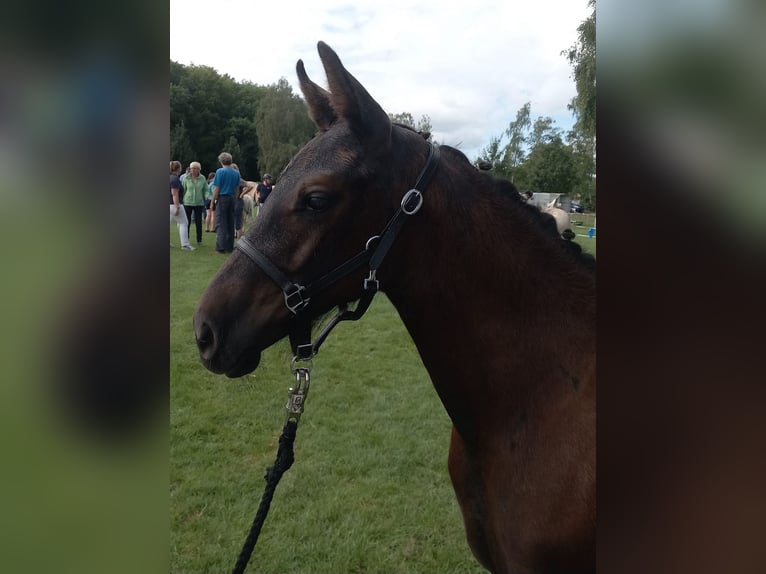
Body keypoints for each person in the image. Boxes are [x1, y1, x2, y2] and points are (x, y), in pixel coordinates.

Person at [211, 152, 240, 253]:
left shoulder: (220, 171)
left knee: (221, 222)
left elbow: (217, 188)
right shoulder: (236, 172)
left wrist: (212, 202)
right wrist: (235, 199)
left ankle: (220, 247)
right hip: (232, 198)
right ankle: (229, 246)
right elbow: (237, 188)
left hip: (222, 198)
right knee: (230, 222)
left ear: (221, 161)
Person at [182, 161, 209, 246]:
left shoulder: (202, 178)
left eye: (194, 168)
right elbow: (183, 189)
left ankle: (199, 240)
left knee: (198, 222)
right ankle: (186, 239)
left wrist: (206, 195)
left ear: (199, 169)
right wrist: (181, 200)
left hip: (198, 203)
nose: (192, 170)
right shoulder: (186, 178)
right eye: (191, 168)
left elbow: (206, 189)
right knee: (187, 222)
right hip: (187, 202)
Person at [169, 160, 194, 251]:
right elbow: (174, 194)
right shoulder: (175, 179)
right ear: (178, 169)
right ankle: (185, 244)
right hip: (173, 204)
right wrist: (177, 206)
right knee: (184, 223)